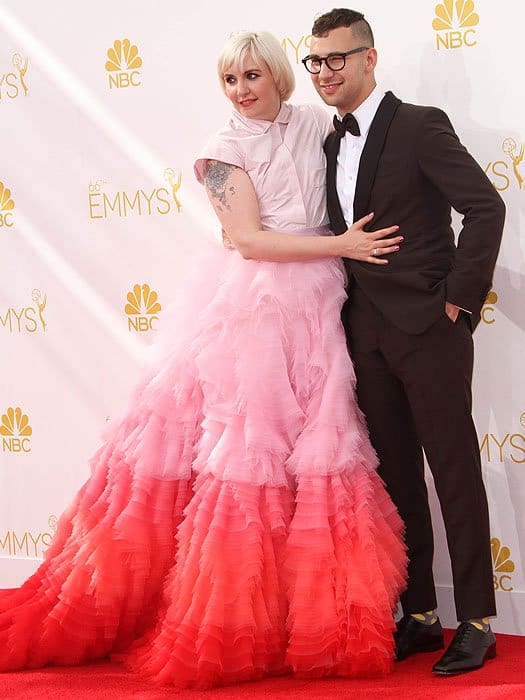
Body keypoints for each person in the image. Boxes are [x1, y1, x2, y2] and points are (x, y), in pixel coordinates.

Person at [0, 31, 407, 688]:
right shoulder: (219, 154)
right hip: (259, 311)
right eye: (229, 79)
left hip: (319, 305)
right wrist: (346, 246)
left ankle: (306, 620)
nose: (242, 89)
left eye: (251, 74)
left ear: (277, 74)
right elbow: (245, 239)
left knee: (314, 456)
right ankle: (225, 622)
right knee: (249, 450)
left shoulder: (314, 123)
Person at [304, 8, 505, 676]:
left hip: (429, 328)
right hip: (362, 331)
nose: (323, 73)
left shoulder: (419, 125)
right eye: (314, 61)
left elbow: (484, 207)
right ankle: (417, 611)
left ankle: (475, 620)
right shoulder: (329, 143)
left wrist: (457, 301)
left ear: (368, 58)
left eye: (336, 58)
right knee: (393, 478)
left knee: (451, 469)